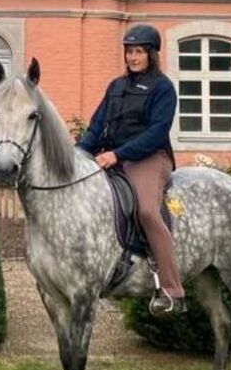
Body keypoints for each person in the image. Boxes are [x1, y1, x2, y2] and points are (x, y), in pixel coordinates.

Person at [78, 24, 186, 316]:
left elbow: (156, 133)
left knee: (147, 211)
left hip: (150, 158)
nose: (133, 57)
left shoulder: (163, 88)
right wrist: (80, 152)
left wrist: (118, 154)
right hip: (114, 157)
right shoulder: (116, 86)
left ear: (151, 54)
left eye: (139, 51)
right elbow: (97, 123)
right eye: (129, 51)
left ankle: (171, 290)